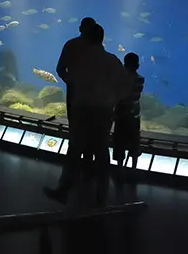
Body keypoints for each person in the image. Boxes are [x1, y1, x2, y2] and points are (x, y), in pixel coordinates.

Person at [44, 23, 132, 206]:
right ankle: (102, 197)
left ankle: (64, 190)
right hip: (104, 111)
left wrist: (74, 87)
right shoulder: (112, 60)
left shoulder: (82, 60)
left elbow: (67, 76)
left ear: (87, 37)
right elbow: (126, 87)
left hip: (81, 109)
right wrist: (113, 100)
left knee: (75, 149)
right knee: (101, 152)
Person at [56, 17, 98, 163]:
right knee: (91, 130)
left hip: (74, 94)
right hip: (94, 96)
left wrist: (72, 82)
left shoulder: (71, 44)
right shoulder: (98, 49)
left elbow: (60, 69)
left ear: (80, 29)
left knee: (74, 129)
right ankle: (88, 165)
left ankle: (71, 167)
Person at [112, 52, 145, 171]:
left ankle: (120, 169)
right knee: (134, 141)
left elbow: (118, 96)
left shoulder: (119, 80)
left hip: (121, 115)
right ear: (138, 65)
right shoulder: (140, 79)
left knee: (119, 141)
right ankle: (133, 168)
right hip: (134, 115)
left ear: (124, 65)